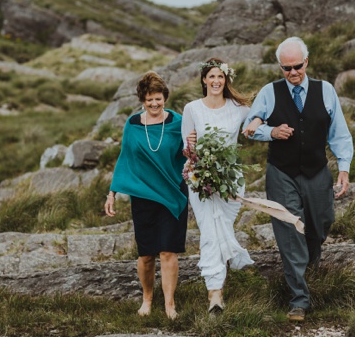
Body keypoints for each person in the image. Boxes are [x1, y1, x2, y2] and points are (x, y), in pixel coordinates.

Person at [242, 36, 354, 322]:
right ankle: (299, 300)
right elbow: (250, 126)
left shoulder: (325, 90)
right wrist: (271, 132)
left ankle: (311, 267)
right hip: (282, 173)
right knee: (290, 230)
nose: (292, 73)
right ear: (280, 67)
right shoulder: (269, 92)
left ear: (307, 61)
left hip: (317, 171)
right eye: (286, 68)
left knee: (321, 222)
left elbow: (339, 133)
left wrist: (344, 168)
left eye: (297, 66)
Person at [104, 71, 188, 321]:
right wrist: (112, 193)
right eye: (149, 100)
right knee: (146, 254)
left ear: (165, 98)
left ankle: (170, 305)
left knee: (168, 251)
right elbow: (125, 159)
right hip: (143, 197)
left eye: (158, 99)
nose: (154, 104)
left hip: (173, 193)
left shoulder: (177, 122)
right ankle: (147, 298)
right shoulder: (132, 124)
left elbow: (189, 153)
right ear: (142, 99)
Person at [181, 58, 256, 314]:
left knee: (222, 226)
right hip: (200, 178)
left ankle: (220, 279)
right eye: (211, 77)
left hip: (230, 179)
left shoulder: (240, 109)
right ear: (204, 80)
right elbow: (187, 148)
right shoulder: (192, 108)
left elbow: (260, 118)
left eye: (220, 77)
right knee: (210, 232)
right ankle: (215, 294)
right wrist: (190, 148)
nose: (216, 82)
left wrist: (258, 124)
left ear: (226, 79)